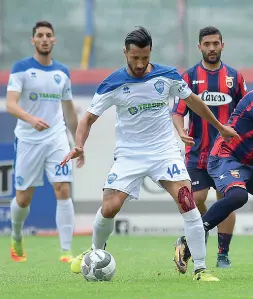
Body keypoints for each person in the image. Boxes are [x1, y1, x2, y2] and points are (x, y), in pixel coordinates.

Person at [61, 27, 238, 281]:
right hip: (130, 155)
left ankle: (200, 269)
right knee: (109, 207)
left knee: (187, 201)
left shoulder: (167, 76)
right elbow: (87, 119)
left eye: (144, 57)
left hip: (164, 152)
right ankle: (94, 252)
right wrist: (79, 145)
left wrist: (219, 126)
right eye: (135, 58)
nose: (140, 63)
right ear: (125, 53)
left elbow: (194, 102)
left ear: (150, 52)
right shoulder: (113, 83)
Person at [6, 21, 81, 263]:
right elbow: (10, 104)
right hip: (28, 140)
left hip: (56, 138)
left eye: (49, 35)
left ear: (54, 40)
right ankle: (16, 235)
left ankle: (66, 251)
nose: (45, 39)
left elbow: (69, 111)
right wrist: (31, 119)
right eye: (40, 35)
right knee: (23, 198)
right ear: (33, 40)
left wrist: (78, 142)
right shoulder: (21, 69)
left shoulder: (62, 72)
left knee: (63, 189)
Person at [172, 26, 247, 269]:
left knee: (229, 197)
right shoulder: (189, 76)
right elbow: (178, 111)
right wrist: (181, 130)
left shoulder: (235, 78)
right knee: (197, 197)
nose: (212, 48)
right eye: (207, 44)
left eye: (216, 43)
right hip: (197, 152)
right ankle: (203, 228)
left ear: (222, 45)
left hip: (229, 153)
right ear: (200, 47)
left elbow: (245, 112)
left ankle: (222, 253)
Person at [173, 90, 253, 270]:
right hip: (227, 156)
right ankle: (189, 240)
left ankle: (220, 252)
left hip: (249, 161)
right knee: (238, 196)